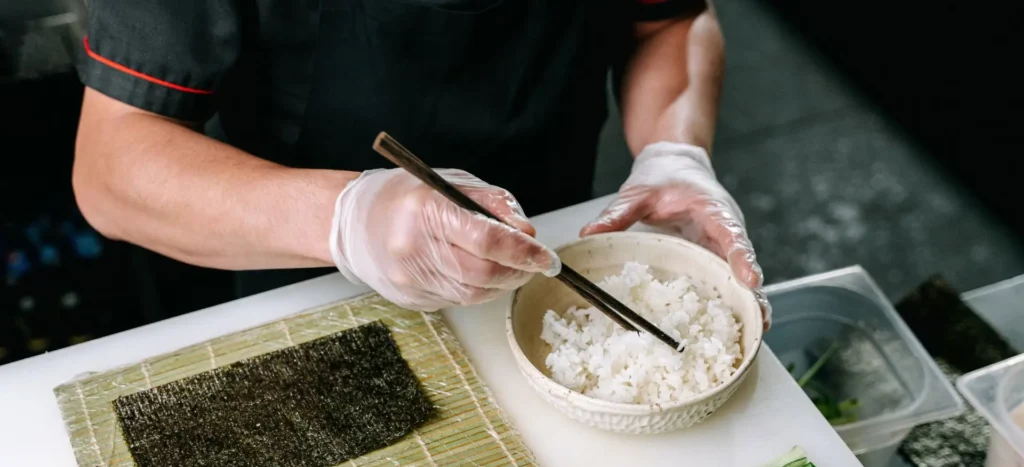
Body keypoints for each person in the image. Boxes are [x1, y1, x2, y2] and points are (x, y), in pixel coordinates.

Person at [72, 0, 770, 324]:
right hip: (306, 266)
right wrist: (350, 218)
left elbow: (670, 19)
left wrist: (673, 152)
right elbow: (113, 165)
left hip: (556, 245)